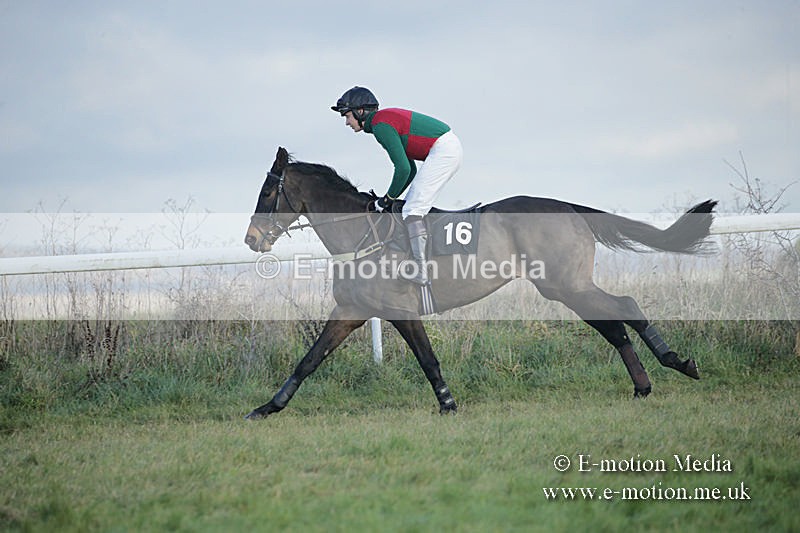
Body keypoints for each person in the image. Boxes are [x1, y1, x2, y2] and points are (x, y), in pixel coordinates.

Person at [331, 86, 463, 286]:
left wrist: (386, 200)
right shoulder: (381, 123)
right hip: (445, 148)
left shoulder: (381, 126)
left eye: (347, 116)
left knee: (412, 209)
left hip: (444, 150)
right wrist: (388, 199)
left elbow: (402, 169)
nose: (347, 122)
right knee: (410, 206)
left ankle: (421, 270)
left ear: (360, 112)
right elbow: (410, 170)